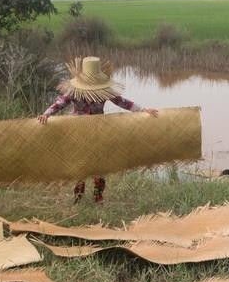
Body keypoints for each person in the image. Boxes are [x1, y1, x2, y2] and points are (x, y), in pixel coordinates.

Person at [38, 56, 158, 203]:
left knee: (99, 165)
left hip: (99, 131)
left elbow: (123, 102)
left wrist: (143, 110)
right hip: (78, 131)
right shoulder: (74, 92)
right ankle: (78, 196)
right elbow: (59, 104)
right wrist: (46, 114)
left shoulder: (104, 91)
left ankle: (98, 196)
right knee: (80, 164)